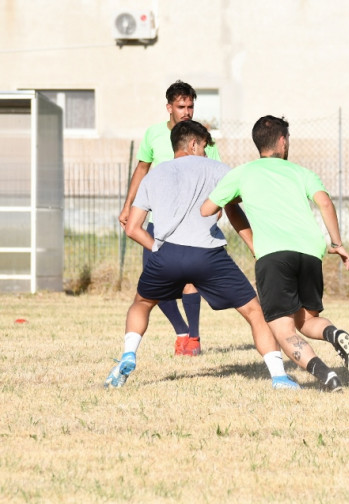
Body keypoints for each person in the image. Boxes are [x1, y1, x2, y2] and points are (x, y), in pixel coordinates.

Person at [105, 120, 299, 390]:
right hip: (209, 255)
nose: (207, 153)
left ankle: (128, 354)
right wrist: (257, 247)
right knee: (255, 312)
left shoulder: (154, 175)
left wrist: (158, 248)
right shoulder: (218, 170)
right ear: (194, 144)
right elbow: (235, 207)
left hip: (167, 253)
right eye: (205, 147)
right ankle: (279, 376)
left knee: (141, 303)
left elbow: (133, 229)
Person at [201, 115, 349, 393]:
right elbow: (325, 203)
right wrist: (336, 243)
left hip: (273, 256)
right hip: (310, 253)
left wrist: (236, 197)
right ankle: (334, 334)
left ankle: (327, 376)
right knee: (307, 320)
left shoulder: (242, 173)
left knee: (283, 329)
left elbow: (207, 209)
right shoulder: (302, 173)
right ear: (282, 141)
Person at [118, 80, 220, 357]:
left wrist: (215, 212)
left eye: (190, 106)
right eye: (181, 106)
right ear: (169, 107)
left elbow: (217, 179)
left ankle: (194, 338)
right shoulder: (154, 134)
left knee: (189, 280)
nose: (187, 111)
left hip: (192, 223)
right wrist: (128, 205)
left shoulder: (202, 138)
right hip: (159, 221)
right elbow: (142, 170)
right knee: (154, 279)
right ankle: (181, 330)